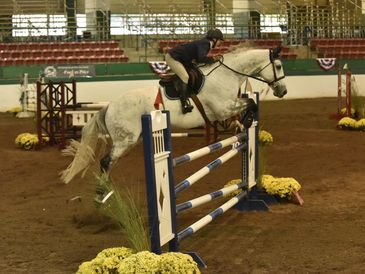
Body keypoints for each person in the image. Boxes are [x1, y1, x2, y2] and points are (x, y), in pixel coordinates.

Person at [165, 29, 224, 113]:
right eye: (220, 41)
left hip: (182, 59)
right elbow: (201, 58)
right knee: (185, 76)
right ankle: (184, 104)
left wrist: (211, 59)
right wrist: (213, 59)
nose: (220, 44)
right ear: (214, 39)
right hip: (173, 58)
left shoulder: (206, 43)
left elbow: (197, 59)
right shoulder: (206, 43)